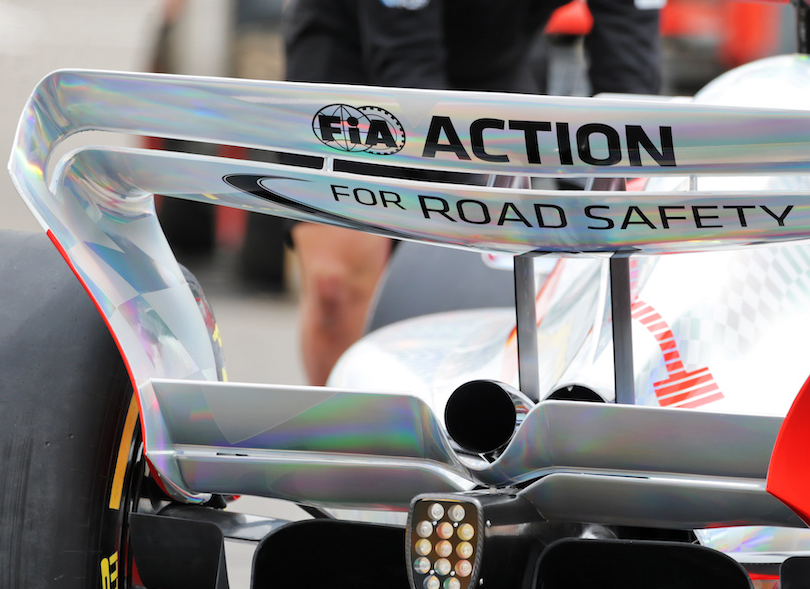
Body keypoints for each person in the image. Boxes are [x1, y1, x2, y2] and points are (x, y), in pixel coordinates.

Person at [284, 0, 663, 385]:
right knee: (337, 285)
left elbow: (628, 64)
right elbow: (406, 60)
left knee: (499, 271)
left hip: (496, 58)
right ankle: (343, 436)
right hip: (354, 50)